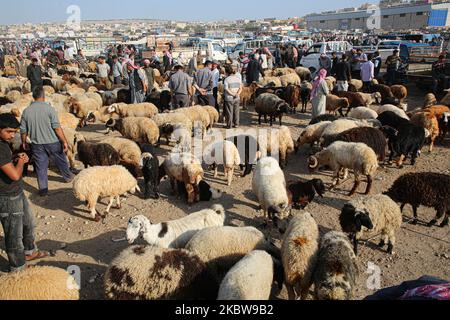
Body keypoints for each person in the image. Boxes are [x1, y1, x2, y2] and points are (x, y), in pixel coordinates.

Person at [0, 113, 49, 272]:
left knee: (29, 223)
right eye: (9, 131)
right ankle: (18, 269)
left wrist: (14, 157)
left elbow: (5, 164)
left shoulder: (4, 143)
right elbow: (14, 175)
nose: (12, 135)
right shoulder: (0, 147)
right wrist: (21, 161)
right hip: (7, 197)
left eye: (14, 131)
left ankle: (29, 251)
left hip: (16, 192)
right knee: (14, 236)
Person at [20, 87, 74, 197]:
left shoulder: (26, 111)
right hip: (52, 142)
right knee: (61, 160)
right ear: (43, 96)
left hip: (36, 144)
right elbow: (57, 128)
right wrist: (64, 141)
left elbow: (23, 130)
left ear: (33, 97)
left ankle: (43, 189)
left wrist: (24, 142)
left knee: (41, 166)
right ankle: (68, 177)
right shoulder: (50, 109)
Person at [223, 65, 243, 129]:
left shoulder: (226, 79)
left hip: (229, 98)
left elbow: (226, 89)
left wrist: (232, 94)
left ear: (227, 72)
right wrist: (237, 94)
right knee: (236, 111)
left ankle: (229, 125)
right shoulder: (238, 78)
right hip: (237, 97)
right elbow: (241, 88)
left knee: (229, 111)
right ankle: (236, 124)